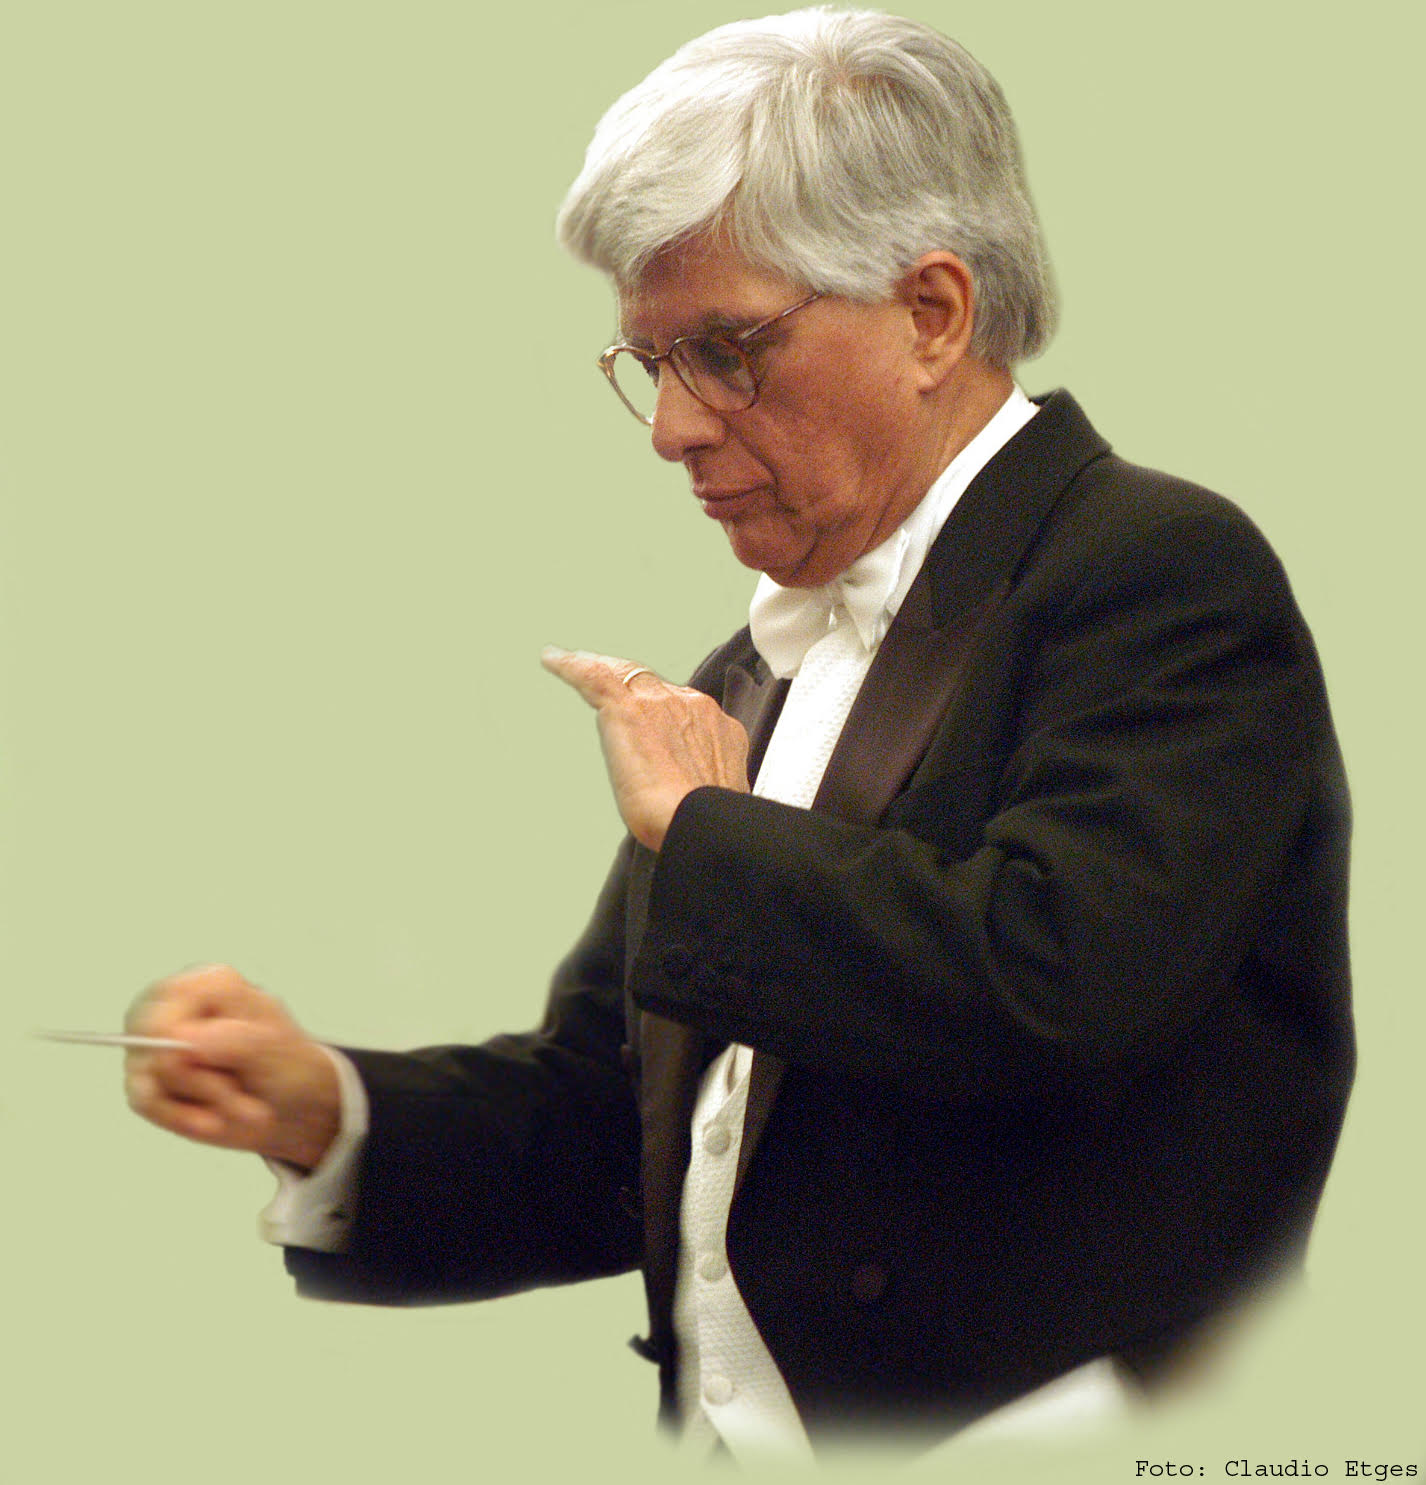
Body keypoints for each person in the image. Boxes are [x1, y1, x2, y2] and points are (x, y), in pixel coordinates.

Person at [124, 7, 1354, 1461]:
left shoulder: (1153, 566)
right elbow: (612, 1125)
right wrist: (323, 1111)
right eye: (650, 361)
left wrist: (708, 835)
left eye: (723, 349)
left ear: (932, 314)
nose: (671, 428)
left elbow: (1057, 987)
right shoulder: (759, 665)